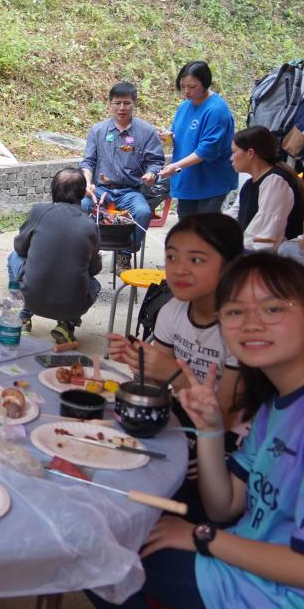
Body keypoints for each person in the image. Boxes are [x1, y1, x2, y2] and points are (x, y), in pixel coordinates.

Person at [90, 253, 304, 609]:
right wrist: (210, 430)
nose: (251, 323)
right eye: (235, 312)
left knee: (94, 554)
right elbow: (224, 506)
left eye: (273, 308)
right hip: (256, 564)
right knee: (116, 527)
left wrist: (201, 536)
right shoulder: (281, 400)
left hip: (301, 606)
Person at [107, 213, 243, 520]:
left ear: (231, 266)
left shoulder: (242, 327)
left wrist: (173, 373)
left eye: (196, 260)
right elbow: (154, 386)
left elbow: (222, 417)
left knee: (152, 475)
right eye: (171, 257)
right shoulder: (173, 310)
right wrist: (139, 361)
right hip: (183, 415)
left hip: (229, 437)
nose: (179, 269)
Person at [7, 168, 101, 344]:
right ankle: (67, 324)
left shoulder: (39, 211)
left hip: (32, 299)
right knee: (94, 284)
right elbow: (95, 269)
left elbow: (20, 247)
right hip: (72, 306)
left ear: (52, 192)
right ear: (83, 194)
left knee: (13, 257)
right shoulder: (90, 225)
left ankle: (23, 316)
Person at [80, 81, 165, 269]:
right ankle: (88, 253)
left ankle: (124, 254)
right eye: (117, 103)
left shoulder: (146, 132)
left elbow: (156, 161)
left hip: (130, 191)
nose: (122, 108)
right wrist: (87, 183)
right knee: (82, 206)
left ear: (134, 104)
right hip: (102, 190)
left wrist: (151, 174)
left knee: (143, 212)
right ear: (110, 104)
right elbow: (88, 161)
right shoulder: (98, 131)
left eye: (127, 103)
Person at [159, 61, 237, 217]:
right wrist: (168, 137)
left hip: (210, 182)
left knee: (205, 227)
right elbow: (178, 134)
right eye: (183, 86)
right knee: (186, 226)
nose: (186, 91)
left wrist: (175, 166)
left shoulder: (216, 110)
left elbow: (206, 150)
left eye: (192, 86)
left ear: (205, 83)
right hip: (188, 179)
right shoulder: (184, 107)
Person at [226, 125, 304, 250]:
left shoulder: (275, 182)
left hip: (271, 258)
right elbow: (231, 216)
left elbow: (264, 238)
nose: (231, 158)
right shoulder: (249, 184)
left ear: (250, 153)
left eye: (234, 152)